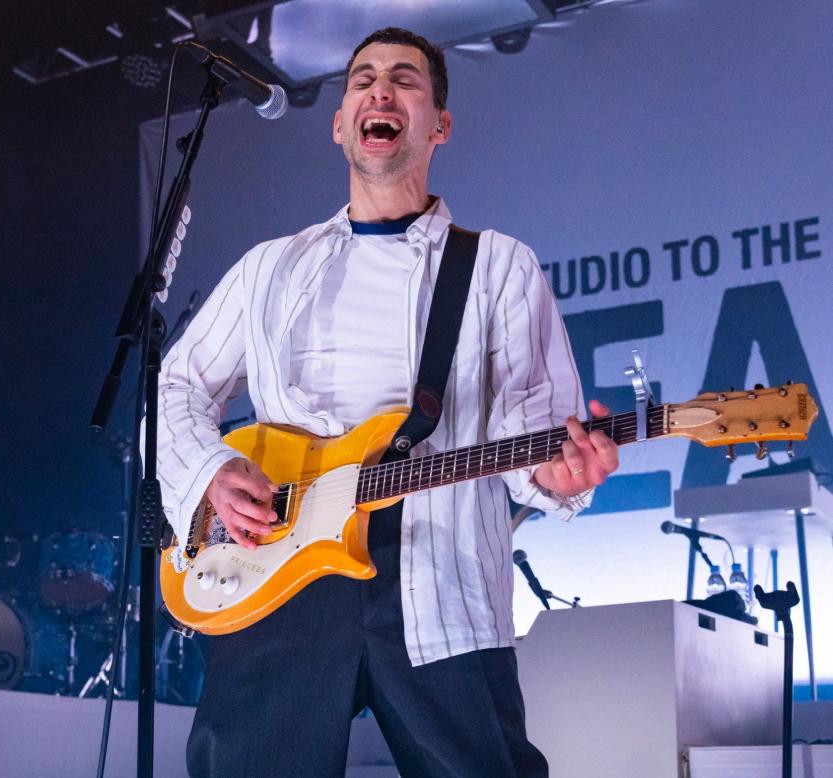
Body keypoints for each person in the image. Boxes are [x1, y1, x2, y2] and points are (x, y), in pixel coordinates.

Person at [156, 28, 620, 777]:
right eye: (362, 79)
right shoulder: (269, 268)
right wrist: (209, 468)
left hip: (438, 584)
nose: (379, 90)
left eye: (404, 79)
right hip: (276, 576)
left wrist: (554, 476)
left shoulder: (498, 265)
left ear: (438, 124)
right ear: (340, 122)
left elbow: (531, 430)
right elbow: (173, 385)